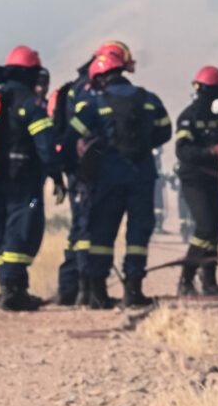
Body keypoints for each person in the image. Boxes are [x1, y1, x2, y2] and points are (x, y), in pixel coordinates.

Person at [70, 48, 172, 310]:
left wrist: (89, 149)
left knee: (102, 232)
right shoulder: (150, 99)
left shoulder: (95, 103)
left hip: (109, 176)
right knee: (138, 232)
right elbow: (165, 132)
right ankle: (133, 291)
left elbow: (75, 132)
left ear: (100, 78)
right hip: (142, 176)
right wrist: (144, 144)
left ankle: (97, 294)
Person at [46, 38, 134, 307]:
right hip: (87, 170)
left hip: (84, 167)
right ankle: (82, 289)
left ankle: (71, 289)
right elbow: (83, 130)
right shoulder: (88, 90)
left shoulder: (80, 86)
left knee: (82, 227)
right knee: (87, 228)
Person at [0, 45, 52, 311]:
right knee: (21, 230)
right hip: (24, 184)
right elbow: (46, 148)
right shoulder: (32, 103)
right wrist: (57, 175)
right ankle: (13, 291)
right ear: (31, 73)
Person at [172, 67, 218, 298]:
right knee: (205, 228)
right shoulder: (188, 117)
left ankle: (209, 282)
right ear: (207, 91)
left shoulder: (214, 118)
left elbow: (217, 143)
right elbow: (183, 151)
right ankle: (186, 280)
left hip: (212, 177)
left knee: (214, 229)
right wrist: (211, 151)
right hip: (194, 179)